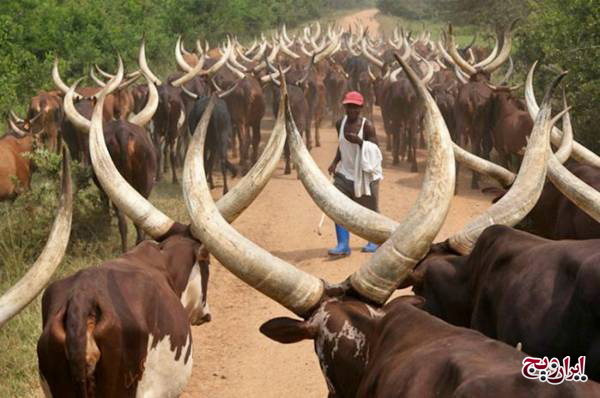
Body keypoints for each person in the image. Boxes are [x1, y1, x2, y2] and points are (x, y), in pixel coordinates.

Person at [327, 91, 383, 256]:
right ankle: (343, 244)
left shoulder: (367, 126)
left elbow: (375, 150)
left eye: (355, 107)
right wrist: (335, 161)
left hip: (365, 175)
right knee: (337, 207)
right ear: (345, 107)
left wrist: (360, 142)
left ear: (361, 108)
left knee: (370, 209)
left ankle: (373, 240)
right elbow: (342, 145)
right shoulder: (340, 123)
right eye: (349, 106)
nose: (352, 110)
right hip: (345, 173)